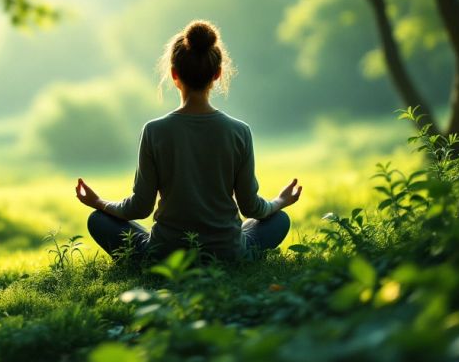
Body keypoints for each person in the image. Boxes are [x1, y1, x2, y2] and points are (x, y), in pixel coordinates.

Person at [75, 20, 302, 262]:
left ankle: (155, 259)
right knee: (279, 219)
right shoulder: (240, 131)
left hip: (165, 255)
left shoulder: (154, 131)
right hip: (227, 254)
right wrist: (280, 201)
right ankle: (233, 253)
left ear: (174, 75)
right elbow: (252, 209)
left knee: (98, 219)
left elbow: (139, 208)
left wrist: (97, 202)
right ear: (217, 74)